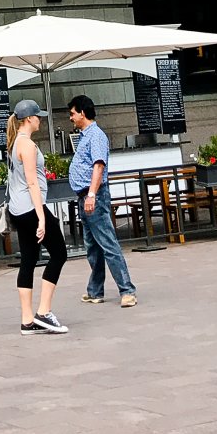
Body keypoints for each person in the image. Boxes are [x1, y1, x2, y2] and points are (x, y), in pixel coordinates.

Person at [5, 99, 69, 334]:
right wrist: (42, 218)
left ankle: (27, 320)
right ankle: (43, 312)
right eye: (38, 116)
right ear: (29, 119)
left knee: (29, 260)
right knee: (59, 253)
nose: (40, 119)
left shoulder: (14, 143)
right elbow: (32, 182)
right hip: (31, 208)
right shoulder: (27, 146)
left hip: (18, 209)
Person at [67, 95, 137, 306]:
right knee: (93, 246)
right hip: (86, 196)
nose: (70, 118)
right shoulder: (85, 135)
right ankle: (96, 290)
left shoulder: (95, 135)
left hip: (92, 196)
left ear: (82, 112)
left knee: (107, 243)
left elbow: (99, 166)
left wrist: (91, 194)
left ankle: (127, 290)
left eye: (72, 113)